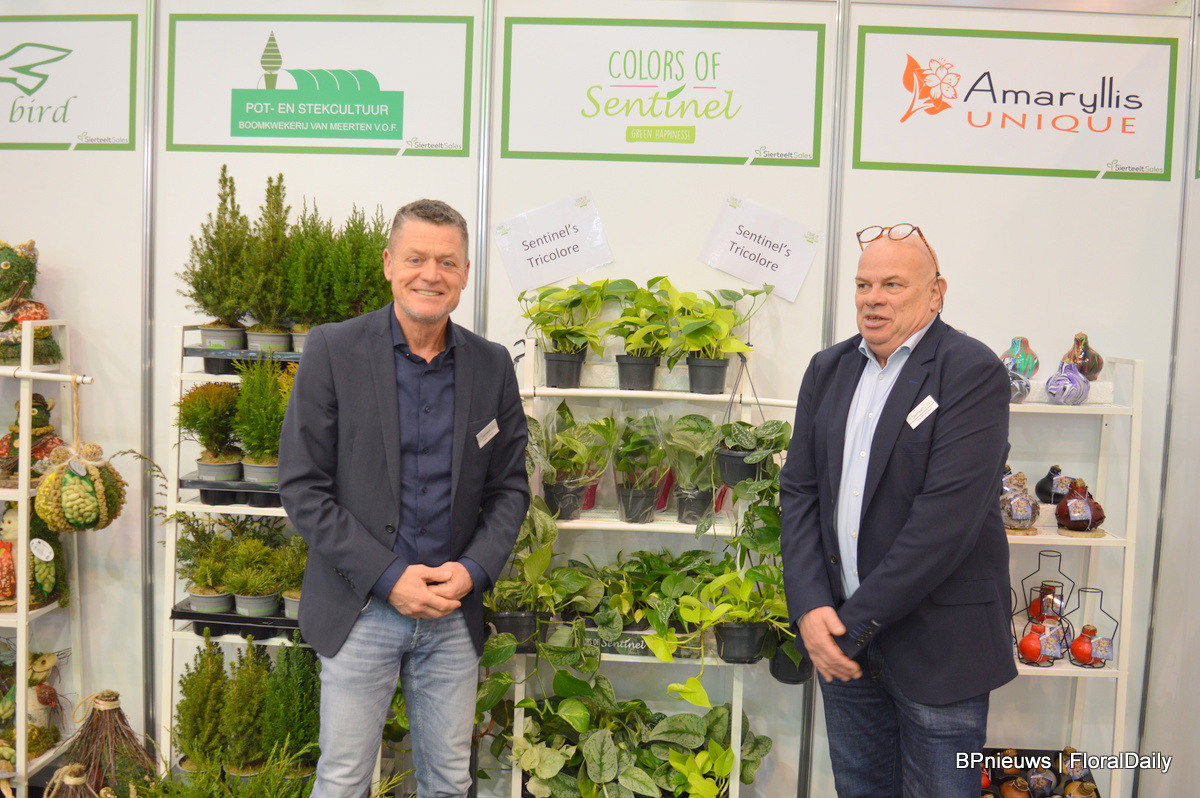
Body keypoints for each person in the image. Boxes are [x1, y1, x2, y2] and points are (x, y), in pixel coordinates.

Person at [279, 198, 530, 798]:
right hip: (360, 608)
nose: (431, 275)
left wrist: (472, 572)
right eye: (416, 258)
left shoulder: (492, 365)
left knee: (449, 781)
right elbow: (303, 488)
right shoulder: (334, 350)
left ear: (464, 273)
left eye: (447, 262)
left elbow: (509, 487)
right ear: (389, 263)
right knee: (343, 780)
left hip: (451, 612)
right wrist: (389, 578)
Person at [779, 224, 1015, 797]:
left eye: (892, 284)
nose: (873, 299)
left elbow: (944, 525)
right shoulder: (828, 369)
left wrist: (847, 627)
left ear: (936, 293)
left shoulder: (971, 371)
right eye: (863, 285)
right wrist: (810, 608)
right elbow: (800, 493)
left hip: (936, 649)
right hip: (843, 642)